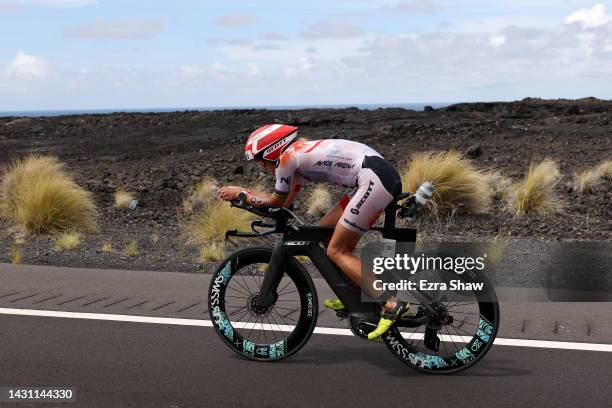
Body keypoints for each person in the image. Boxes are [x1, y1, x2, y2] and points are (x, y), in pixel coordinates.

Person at [218, 124, 410, 340]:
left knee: (337, 251)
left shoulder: (286, 161)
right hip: (375, 176)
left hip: (373, 180)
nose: (261, 167)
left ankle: (391, 303)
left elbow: (274, 201)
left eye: (259, 161)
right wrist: (251, 200)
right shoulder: (296, 156)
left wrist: (241, 193)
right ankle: (354, 293)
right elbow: (281, 205)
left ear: (270, 153)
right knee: (325, 233)